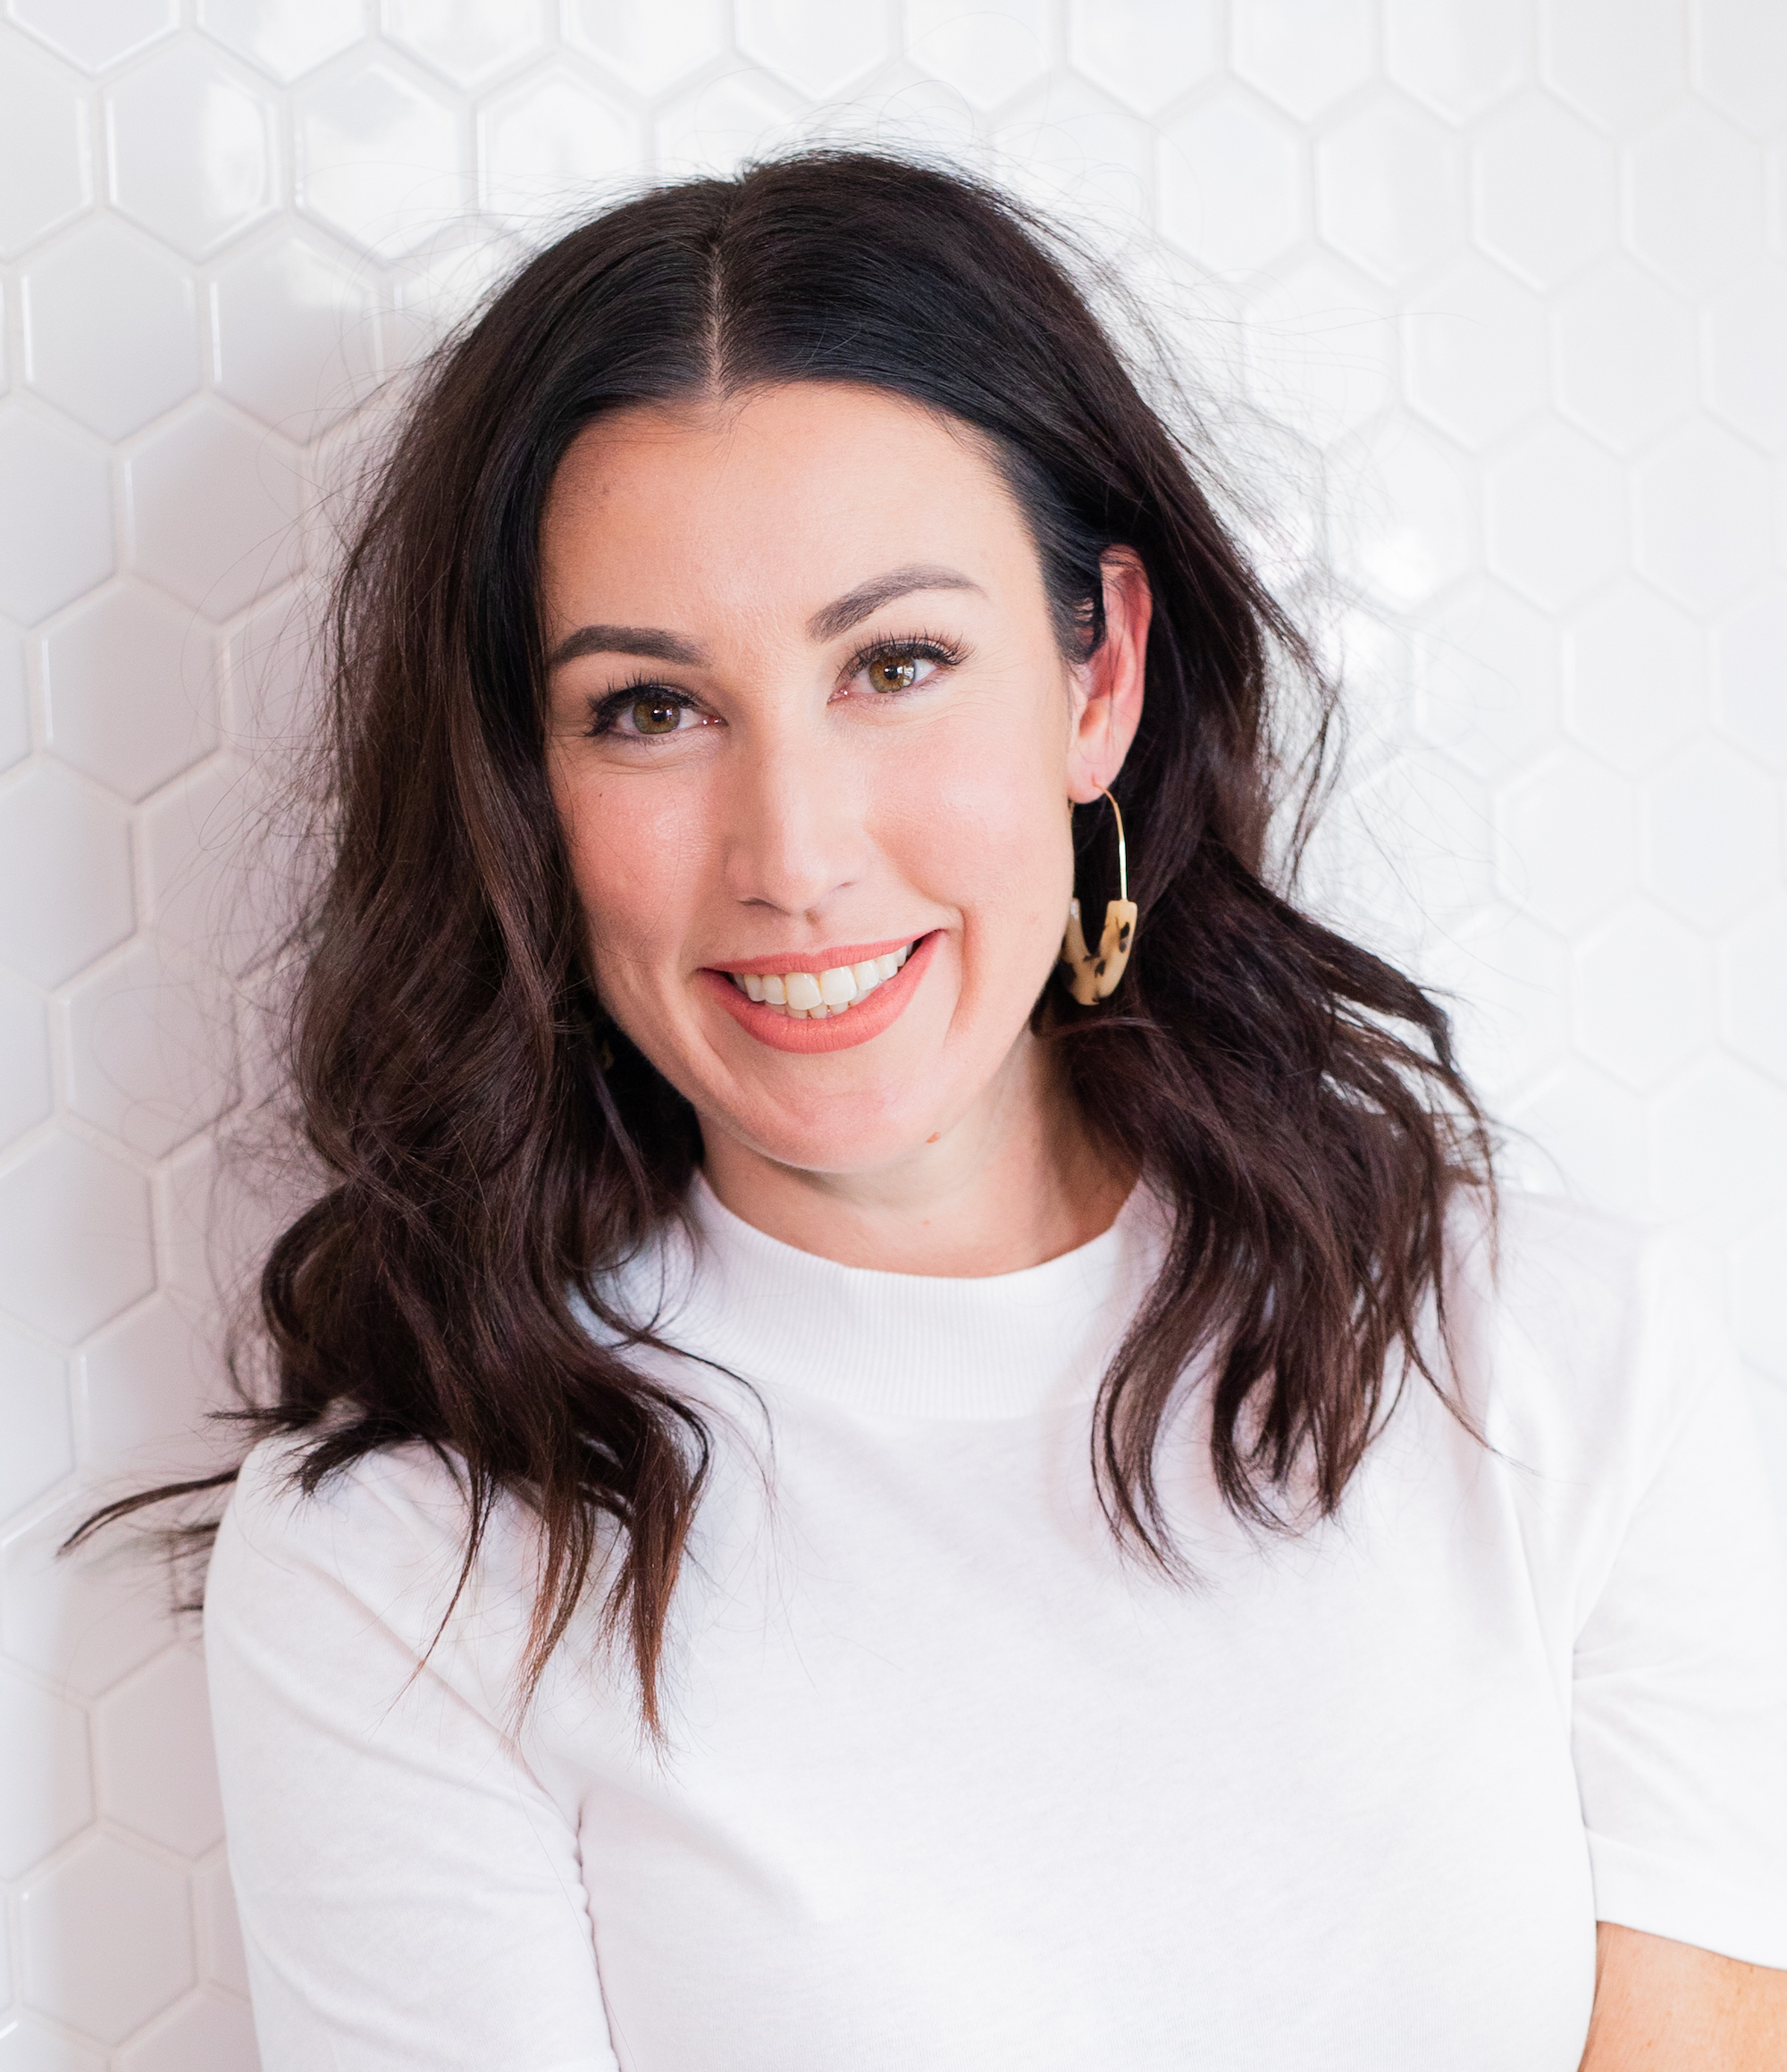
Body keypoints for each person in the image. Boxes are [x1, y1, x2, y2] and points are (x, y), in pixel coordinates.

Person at [145, 152, 1784, 2068]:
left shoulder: (1555, 1356)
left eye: (897, 664)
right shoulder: (407, 1559)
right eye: (651, 708)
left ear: (1101, 677)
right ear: (528, 786)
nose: (795, 854)